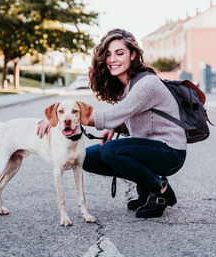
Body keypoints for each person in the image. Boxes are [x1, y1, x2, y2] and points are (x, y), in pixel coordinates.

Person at [37, 29, 186, 218]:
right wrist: (114, 126)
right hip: (152, 148)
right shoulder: (129, 85)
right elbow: (133, 115)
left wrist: (59, 118)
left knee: (111, 150)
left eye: (119, 53)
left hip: (170, 152)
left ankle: (160, 190)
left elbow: (112, 115)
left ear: (133, 55)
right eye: (108, 54)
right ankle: (148, 185)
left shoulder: (146, 84)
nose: (112, 59)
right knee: (88, 158)